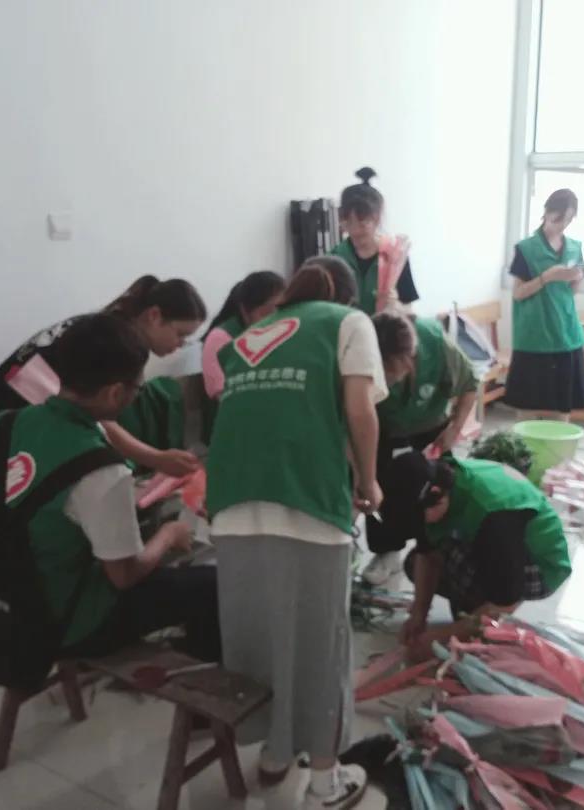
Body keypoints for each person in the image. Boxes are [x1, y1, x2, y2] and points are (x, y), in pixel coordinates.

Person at [208, 255, 401, 809]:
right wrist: (370, 482)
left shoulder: (249, 335)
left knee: (260, 640)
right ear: (345, 295)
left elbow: (303, 416)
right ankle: (324, 781)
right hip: (308, 502)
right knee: (321, 647)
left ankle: (274, 754)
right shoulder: (348, 322)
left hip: (232, 504)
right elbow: (359, 412)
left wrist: (354, 475)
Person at [0, 314, 221, 666]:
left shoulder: (2, 424)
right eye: (138, 389)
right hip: (59, 623)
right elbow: (124, 576)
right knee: (212, 586)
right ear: (115, 392)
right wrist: (168, 536)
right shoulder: (101, 469)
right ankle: (199, 684)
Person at [0, 276, 206, 476]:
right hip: (9, 419)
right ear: (154, 315)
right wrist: (157, 458)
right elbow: (98, 417)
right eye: (180, 335)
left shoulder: (111, 326)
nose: (180, 345)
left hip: (5, 417)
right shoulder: (117, 342)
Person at [382, 451, 571, 662]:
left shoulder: (494, 516)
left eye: (419, 519)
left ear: (437, 493)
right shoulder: (430, 482)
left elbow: (506, 602)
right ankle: (472, 605)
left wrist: (442, 638)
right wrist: (419, 614)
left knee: (473, 590)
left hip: (541, 564)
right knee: (414, 562)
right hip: (495, 541)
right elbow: (427, 554)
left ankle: (476, 609)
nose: (421, 526)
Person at [360, 312, 479, 586]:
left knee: (435, 490)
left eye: (391, 372)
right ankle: (387, 552)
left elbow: (470, 383)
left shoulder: (435, 343)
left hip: (431, 426)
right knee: (382, 488)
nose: (387, 380)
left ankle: (436, 551)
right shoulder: (362, 347)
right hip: (384, 428)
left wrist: (454, 428)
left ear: (409, 358)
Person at [505, 189, 584, 420]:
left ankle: (559, 442)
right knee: (527, 404)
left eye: (568, 220)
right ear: (546, 212)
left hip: (565, 333)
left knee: (563, 405)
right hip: (534, 335)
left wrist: (576, 279)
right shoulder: (526, 249)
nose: (562, 225)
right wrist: (547, 277)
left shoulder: (574, 247)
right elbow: (518, 294)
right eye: (558, 218)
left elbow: (572, 292)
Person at [329, 167, 419, 315]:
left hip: (384, 327)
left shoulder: (395, 257)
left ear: (376, 218)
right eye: (348, 223)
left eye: (362, 223)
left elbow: (410, 312)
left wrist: (395, 305)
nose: (355, 231)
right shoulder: (335, 257)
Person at [201, 270, 285, 400]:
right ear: (245, 311)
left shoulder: (285, 333)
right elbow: (222, 395)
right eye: (266, 314)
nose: (274, 321)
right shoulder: (220, 338)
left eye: (281, 313)